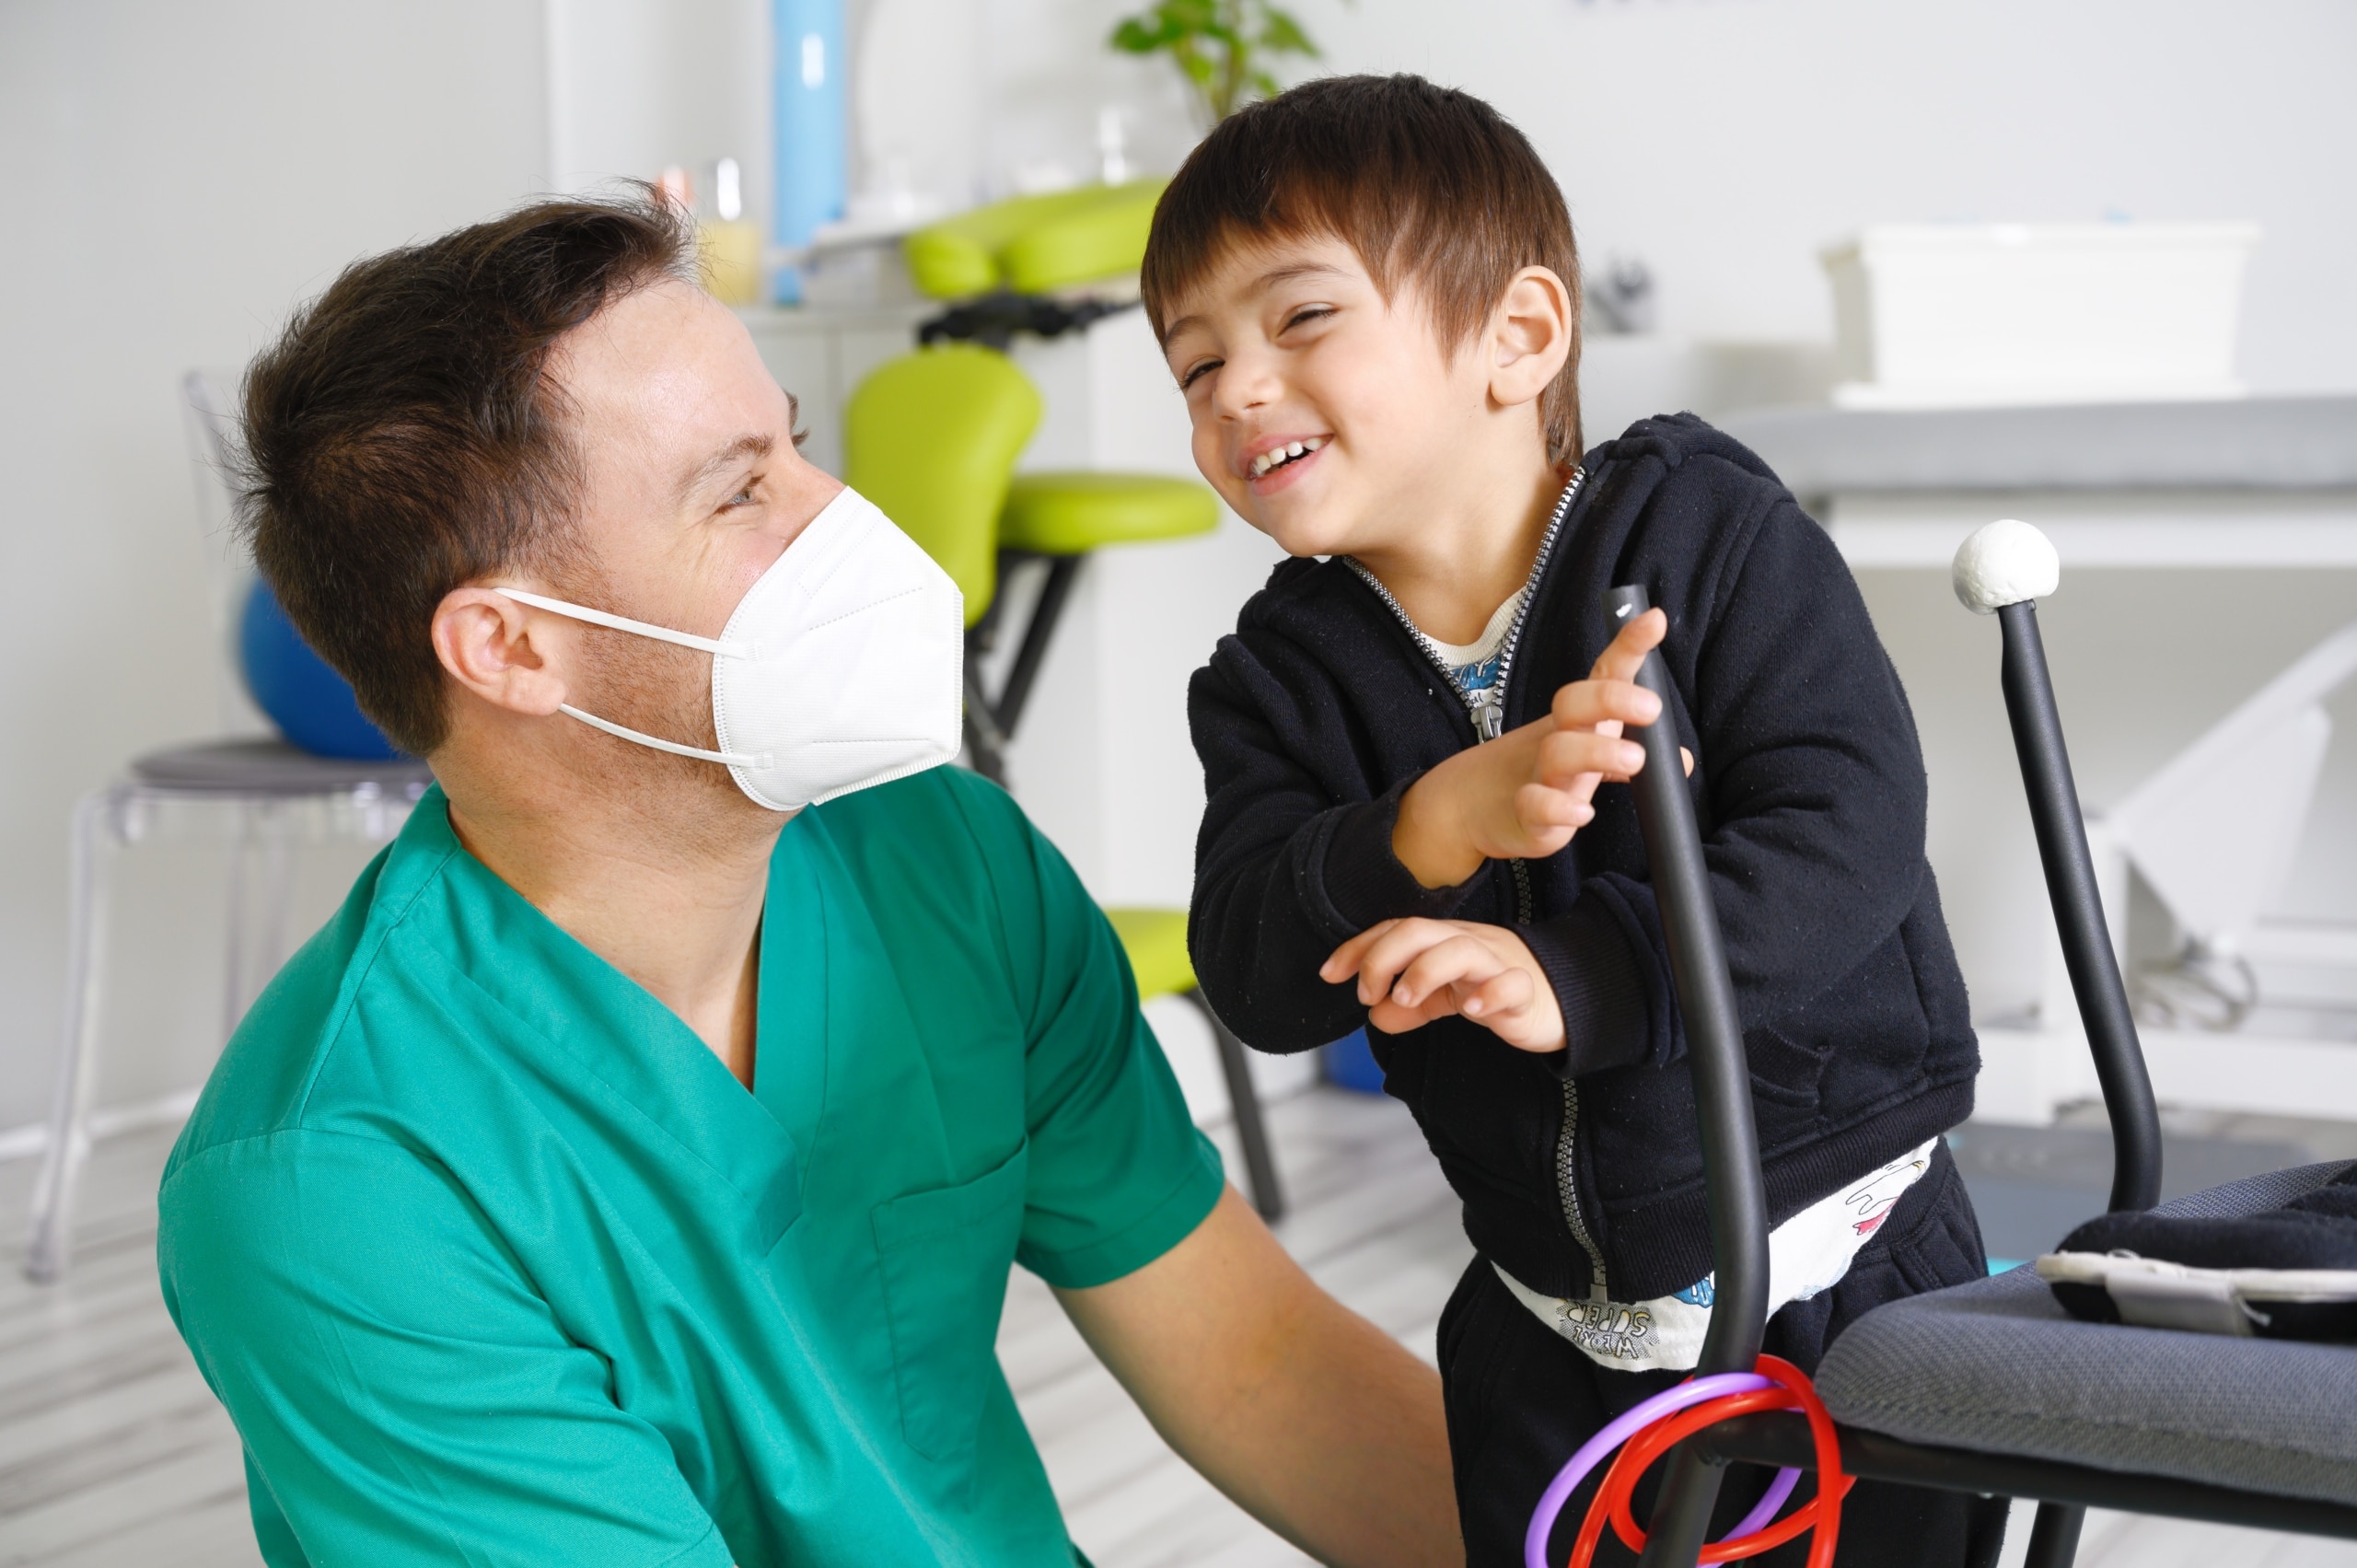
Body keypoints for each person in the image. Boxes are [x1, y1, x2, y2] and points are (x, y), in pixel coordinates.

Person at [156, 192, 1463, 1568]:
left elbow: (1258, 1365)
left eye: (797, 447)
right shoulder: (335, 1187)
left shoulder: (948, 861)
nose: (842, 517)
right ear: (514, 648)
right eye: (739, 491)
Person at [1144, 75, 2007, 1566]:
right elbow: (1253, 970)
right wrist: (1422, 829)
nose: (1235, 390)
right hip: (1552, 1332)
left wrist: (1587, 975)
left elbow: (1847, 830)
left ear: (1520, 336)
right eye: (1195, 364)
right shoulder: (1271, 686)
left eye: (1300, 320)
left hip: (1854, 1281)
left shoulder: (1708, 535)